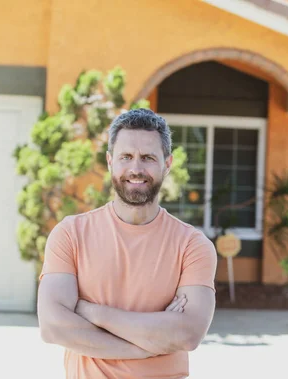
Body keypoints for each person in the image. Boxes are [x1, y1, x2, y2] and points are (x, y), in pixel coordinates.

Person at [37, 108, 218, 379]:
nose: (136, 169)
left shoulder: (192, 245)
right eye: (126, 157)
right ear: (110, 161)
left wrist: (89, 311)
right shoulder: (71, 234)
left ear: (167, 164)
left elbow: (188, 334)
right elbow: (54, 328)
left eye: (147, 158)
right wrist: (148, 346)